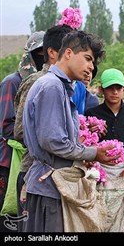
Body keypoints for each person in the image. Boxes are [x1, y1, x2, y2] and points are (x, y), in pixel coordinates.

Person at [22, 30, 119, 232]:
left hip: (53, 185)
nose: (91, 67)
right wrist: (94, 153)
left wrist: (84, 152)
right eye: (88, 59)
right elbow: (53, 141)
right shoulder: (52, 87)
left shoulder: (61, 87)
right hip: (48, 187)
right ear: (67, 53)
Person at [13, 24, 73, 232]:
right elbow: (20, 131)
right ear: (53, 52)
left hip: (56, 177)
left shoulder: (65, 85)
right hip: (35, 173)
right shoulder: (41, 83)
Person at [0, 31, 44, 231]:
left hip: (30, 161)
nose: (43, 56)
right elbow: (6, 126)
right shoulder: (13, 82)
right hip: (9, 161)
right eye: (39, 52)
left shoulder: (45, 83)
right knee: (8, 216)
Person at [85, 68, 124, 178]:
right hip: (100, 171)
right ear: (101, 89)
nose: (115, 92)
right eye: (110, 88)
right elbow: (85, 144)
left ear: (123, 89)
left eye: (118, 88)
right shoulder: (92, 114)